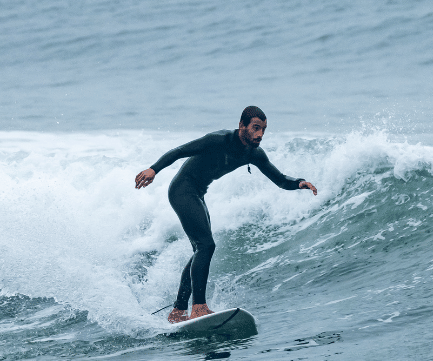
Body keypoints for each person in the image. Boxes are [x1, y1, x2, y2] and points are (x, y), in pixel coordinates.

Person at [135, 106, 318, 323]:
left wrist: (299, 183)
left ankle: (178, 311)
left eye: (264, 129)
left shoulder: (254, 153)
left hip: (198, 194)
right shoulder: (218, 140)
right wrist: (153, 169)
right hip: (182, 190)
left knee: (200, 249)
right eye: (255, 128)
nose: (260, 134)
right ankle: (199, 308)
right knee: (206, 246)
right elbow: (179, 151)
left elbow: (279, 179)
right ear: (242, 125)